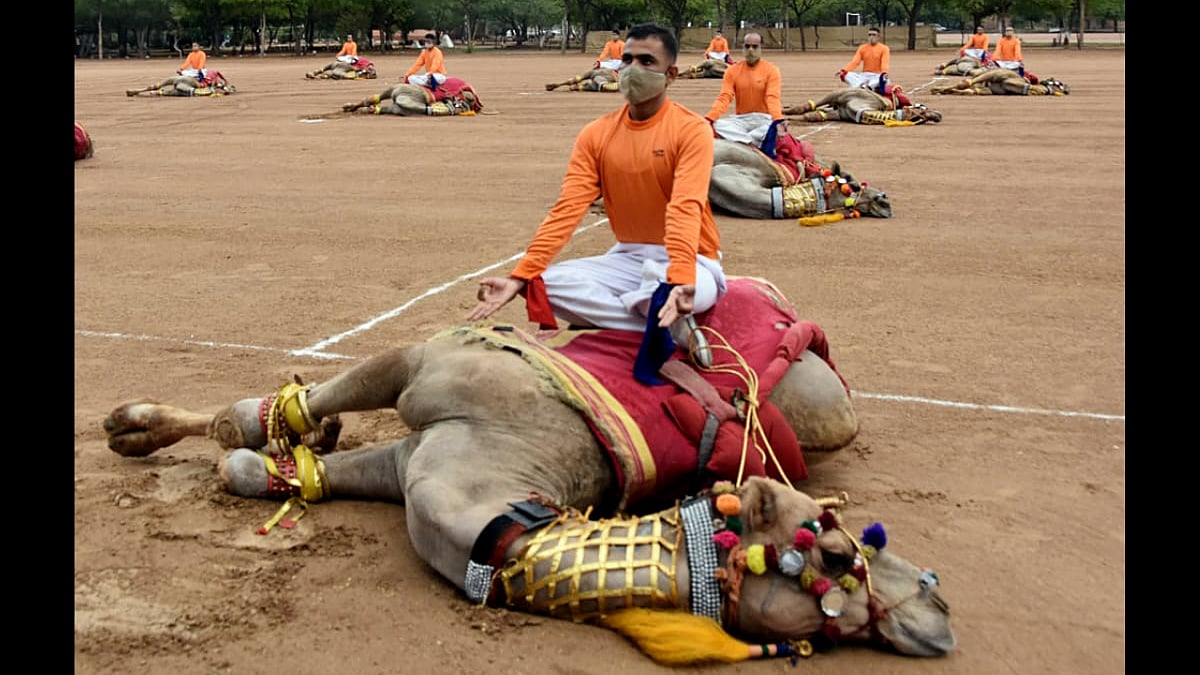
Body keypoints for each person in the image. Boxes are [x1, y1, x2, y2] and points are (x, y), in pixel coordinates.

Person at [467, 22, 724, 378]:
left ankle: (657, 305)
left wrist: (679, 278)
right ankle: (663, 325)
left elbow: (685, 207)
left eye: (647, 61)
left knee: (664, 293)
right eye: (628, 60)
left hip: (693, 259)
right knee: (547, 286)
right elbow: (567, 208)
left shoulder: (691, 129)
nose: (633, 70)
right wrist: (520, 277)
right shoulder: (596, 134)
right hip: (629, 256)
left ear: (671, 75)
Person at [703, 32, 784, 147]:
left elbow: (772, 97)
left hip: (763, 119)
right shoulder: (732, 71)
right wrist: (710, 117)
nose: (751, 50)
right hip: (741, 120)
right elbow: (725, 97)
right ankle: (751, 143)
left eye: (755, 46)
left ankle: (742, 142)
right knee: (717, 125)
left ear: (761, 48)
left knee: (772, 128)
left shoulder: (772, 70)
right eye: (747, 46)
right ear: (743, 48)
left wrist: (777, 119)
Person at [837, 27, 890, 92]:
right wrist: (844, 70)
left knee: (885, 79)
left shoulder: (884, 48)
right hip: (864, 76)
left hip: (877, 76)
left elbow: (885, 63)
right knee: (846, 74)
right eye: (869, 35)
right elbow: (855, 62)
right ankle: (862, 86)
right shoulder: (862, 48)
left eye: (874, 35)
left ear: (878, 37)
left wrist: (884, 73)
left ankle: (867, 86)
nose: (871, 37)